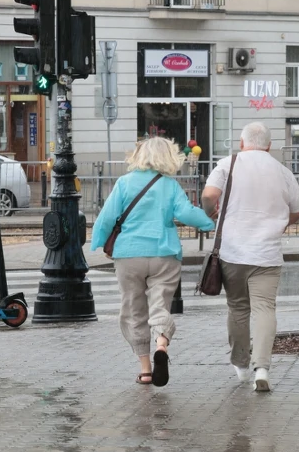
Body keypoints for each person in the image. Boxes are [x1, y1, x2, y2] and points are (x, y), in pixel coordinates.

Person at [91, 137, 215, 387]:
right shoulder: (170, 186)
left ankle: (146, 369)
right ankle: (161, 345)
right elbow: (186, 213)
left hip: (129, 255)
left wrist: (99, 242)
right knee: (160, 306)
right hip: (164, 253)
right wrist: (210, 223)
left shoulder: (124, 183)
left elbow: (107, 217)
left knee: (133, 310)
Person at [201, 122, 299, 392]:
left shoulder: (227, 164)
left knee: (238, 307)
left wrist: (213, 213)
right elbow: (298, 210)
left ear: (242, 143)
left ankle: (241, 365)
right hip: (267, 253)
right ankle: (262, 368)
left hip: (232, 251)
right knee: (265, 309)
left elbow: (209, 196)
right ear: (269, 146)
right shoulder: (282, 172)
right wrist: (281, 224)